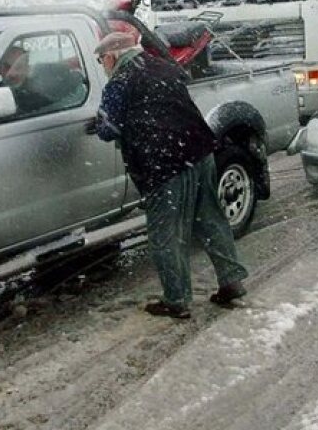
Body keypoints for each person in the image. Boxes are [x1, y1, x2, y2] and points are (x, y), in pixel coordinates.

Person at [91, 31, 248, 319]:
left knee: (166, 234)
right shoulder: (164, 66)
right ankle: (232, 282)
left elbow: (108, 130)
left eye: (102, 59)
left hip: (163, 163)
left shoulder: (121, 81)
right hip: (199, 151)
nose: (103, 65)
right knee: (211, 219)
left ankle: (176, 300)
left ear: (112, 56)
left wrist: (99, 123)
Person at [0, 45, 49, 115]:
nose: (12, 73)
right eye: (7, 67)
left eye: (18, 67)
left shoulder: (40, 102)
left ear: (27, 69)